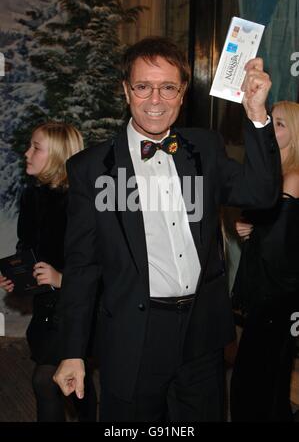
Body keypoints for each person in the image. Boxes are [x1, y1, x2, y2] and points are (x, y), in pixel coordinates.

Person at [53, 36, 281, 422]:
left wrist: (256, 114)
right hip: (134, 334)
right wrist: (72, 350)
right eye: (143, 87)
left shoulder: (204, 149)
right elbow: (82, 268)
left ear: (181, 94)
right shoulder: (91, 170)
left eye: (167, 87)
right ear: (126, 91)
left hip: (201, 333)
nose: (155, 100)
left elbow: (261, 194)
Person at [0, 122, 97, 422]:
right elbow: (27, 249)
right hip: (46, 306)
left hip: (76, 307)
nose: (26, 153)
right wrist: (17, 276)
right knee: (68, 381)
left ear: (55, 155)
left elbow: (102, 265)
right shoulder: (32, 196)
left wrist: (61, 278)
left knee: (46, 380)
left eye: (35, 148)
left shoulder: (82, 203)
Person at [230, 101, 299, 422]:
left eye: (282, 124)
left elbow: (279, 249)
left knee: (259, 386)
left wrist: (253, 233)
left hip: (276, 300)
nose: (273, 128)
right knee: (259, 383)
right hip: (267, 296)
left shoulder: (293, 178)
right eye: (273, 121)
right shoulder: (277, 174)